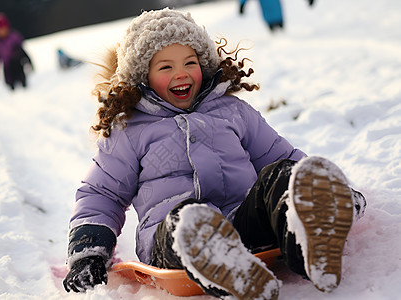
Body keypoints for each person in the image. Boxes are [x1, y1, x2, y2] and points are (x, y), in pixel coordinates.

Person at [62, 8, 366, 299]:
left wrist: (326, 192)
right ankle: (223, 265)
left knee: (282, 174)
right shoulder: (128, 131)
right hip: (175, 238)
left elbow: (278, 154)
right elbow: (102, 194)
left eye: (190, 62)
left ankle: (310, 234)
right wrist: (88, 250)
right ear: (142, 76)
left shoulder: (233, 112)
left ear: (204, 64)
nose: (181, 74)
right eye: (166, 67)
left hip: (242, 221)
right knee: (189, 221)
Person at [0, 12, 33, 90]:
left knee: (23, 83)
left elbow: (23, 53)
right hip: (7, 68)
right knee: (10, 84)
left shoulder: (14, 38)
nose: (2, 32)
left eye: (3, 29)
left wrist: (29, 62)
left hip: (18, 65)